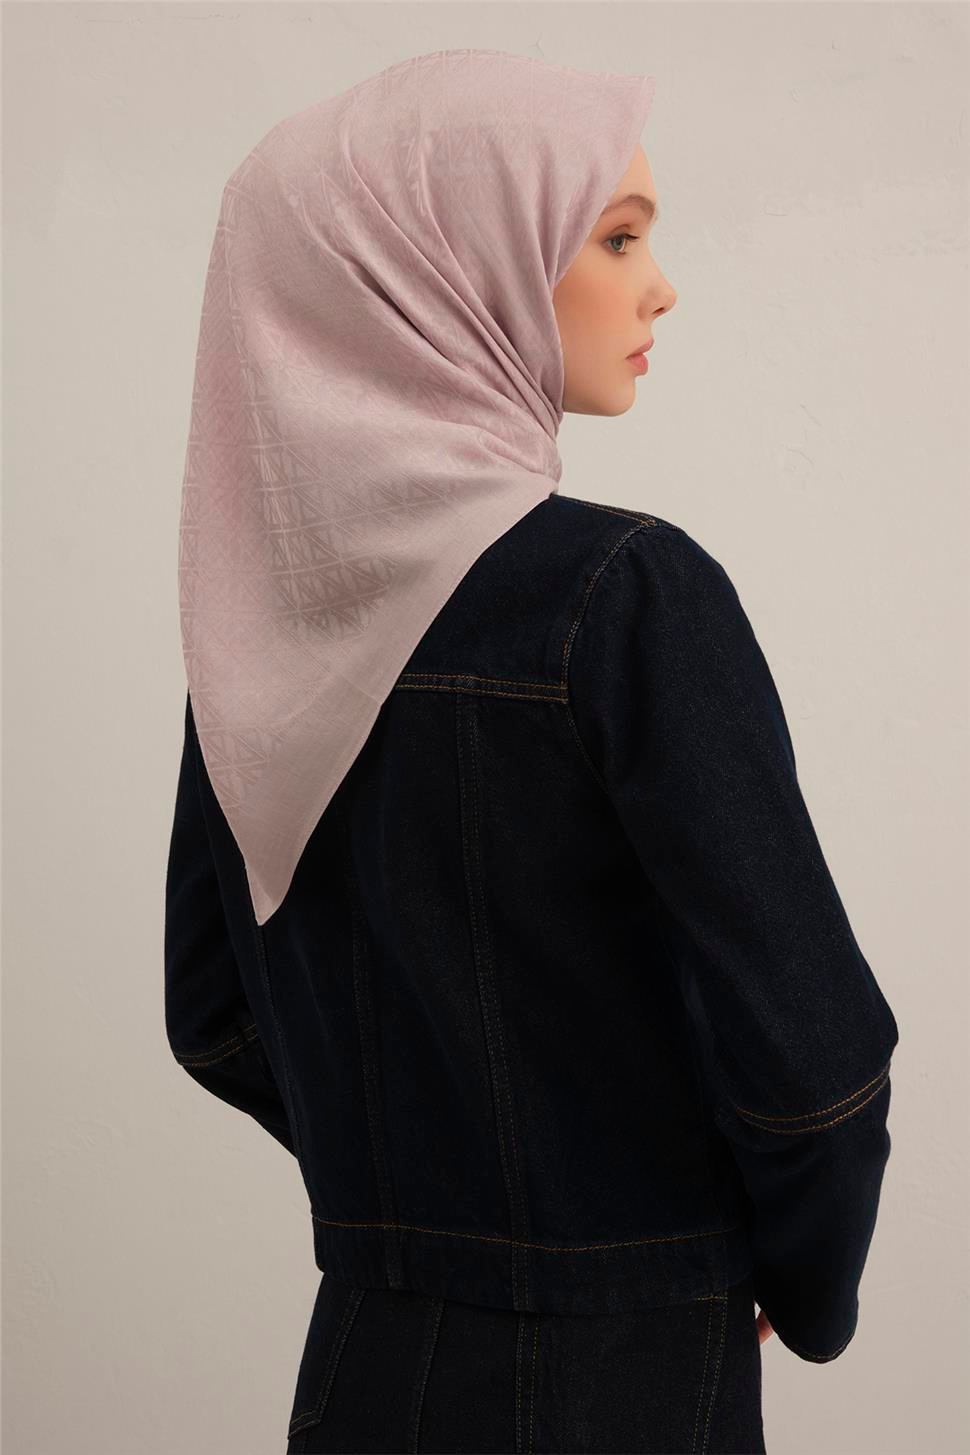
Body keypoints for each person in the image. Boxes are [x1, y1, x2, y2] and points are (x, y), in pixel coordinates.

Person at [164, 49, 899, 1454]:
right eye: (617, 237)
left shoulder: (262, 616)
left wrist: (415, 1200)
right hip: (628, 1367)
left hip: (365, 1360)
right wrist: (786, 1279)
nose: (661, 287)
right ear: (448, 268)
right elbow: (813, 1065)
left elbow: (211, 1011)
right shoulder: (625, 596)